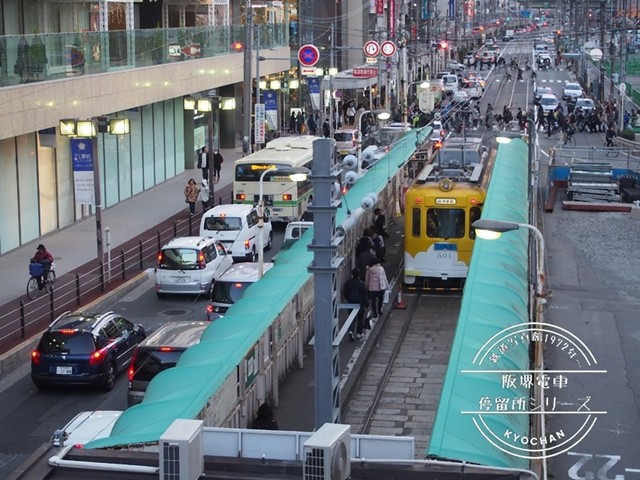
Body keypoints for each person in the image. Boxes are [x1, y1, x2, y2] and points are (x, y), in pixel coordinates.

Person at [343, 267, 368, 340]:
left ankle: (351, 331)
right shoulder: (362, 284)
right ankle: (359, 333)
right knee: (360, 318)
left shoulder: (348, 283)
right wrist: (366, 303)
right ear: (359, 274)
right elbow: (364, 295)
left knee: (352, 317)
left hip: (351, 301)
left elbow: (345, 293)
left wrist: (349, 299)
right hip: (360, 302)